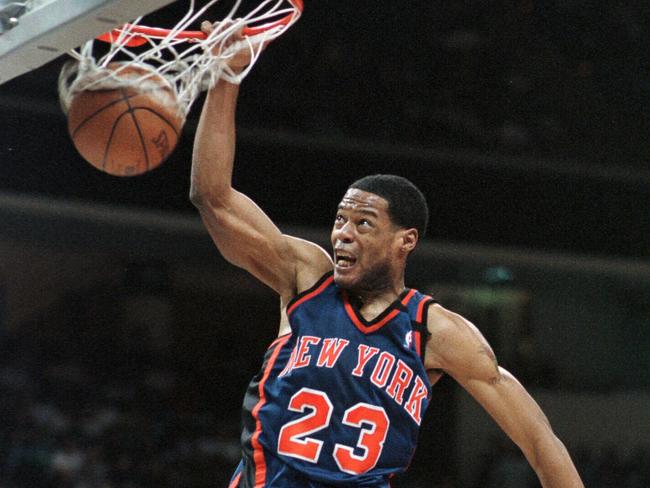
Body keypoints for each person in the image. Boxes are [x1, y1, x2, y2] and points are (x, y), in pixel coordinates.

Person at [189, 23, 584, 488]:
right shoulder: (305, 277)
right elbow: (212, 196)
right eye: (340, 221)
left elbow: (540, 442)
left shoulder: (436, 331)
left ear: (405, 241)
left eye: (363, 224)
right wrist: (226, 78)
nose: (343, 235)